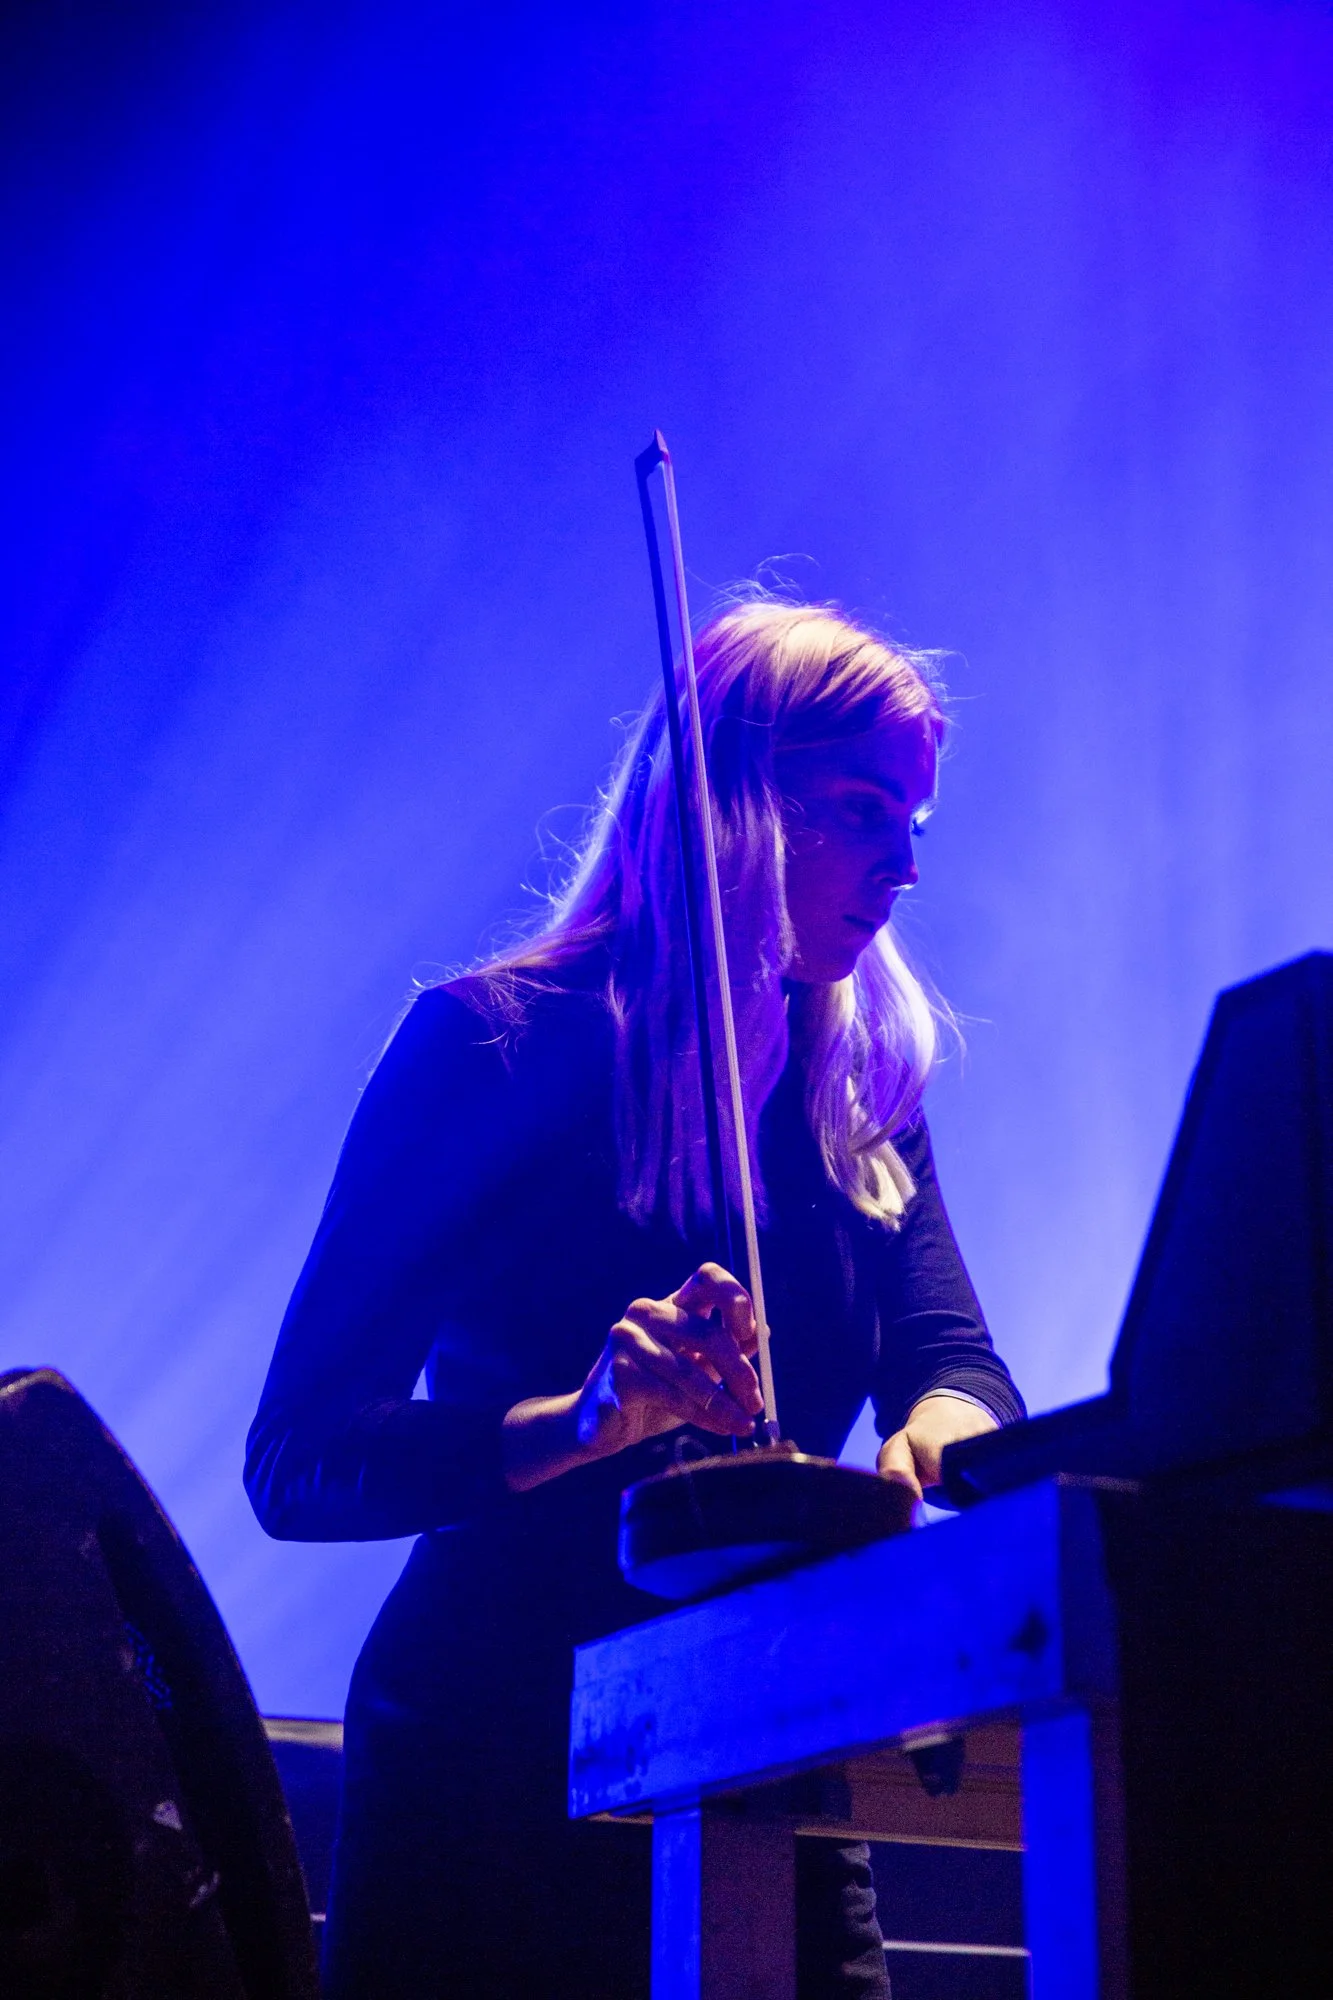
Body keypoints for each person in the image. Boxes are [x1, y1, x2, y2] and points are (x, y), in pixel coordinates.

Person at [245, 599, 1025, 1998]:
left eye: (916, 820)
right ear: (735, 802)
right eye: (863, 808)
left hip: (769, 1733)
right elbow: (298, 1456)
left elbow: (952, 1358)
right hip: (499, 1761)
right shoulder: (489, 1044)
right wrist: (581, 1420)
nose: (905, 865)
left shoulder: (858, 1093)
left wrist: (939, 1438)